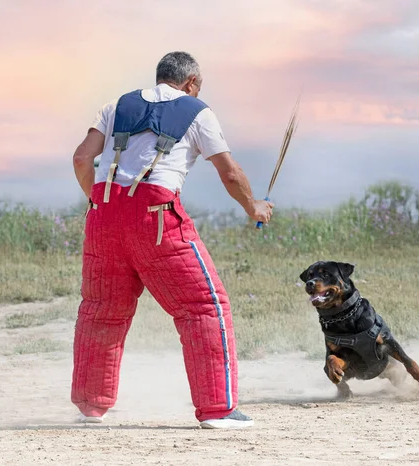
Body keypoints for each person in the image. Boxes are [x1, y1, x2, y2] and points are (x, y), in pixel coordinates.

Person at [71, 51, 273, 429]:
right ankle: (218, 409)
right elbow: (230, 174)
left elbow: (83, 159)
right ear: (192, 83)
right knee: (204, 306)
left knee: (101, 309)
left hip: (102, 218)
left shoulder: (115, 105)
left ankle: (91, 404)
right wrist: (254, 206)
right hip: (157, 218)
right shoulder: (198, 111)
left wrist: (97, 202)